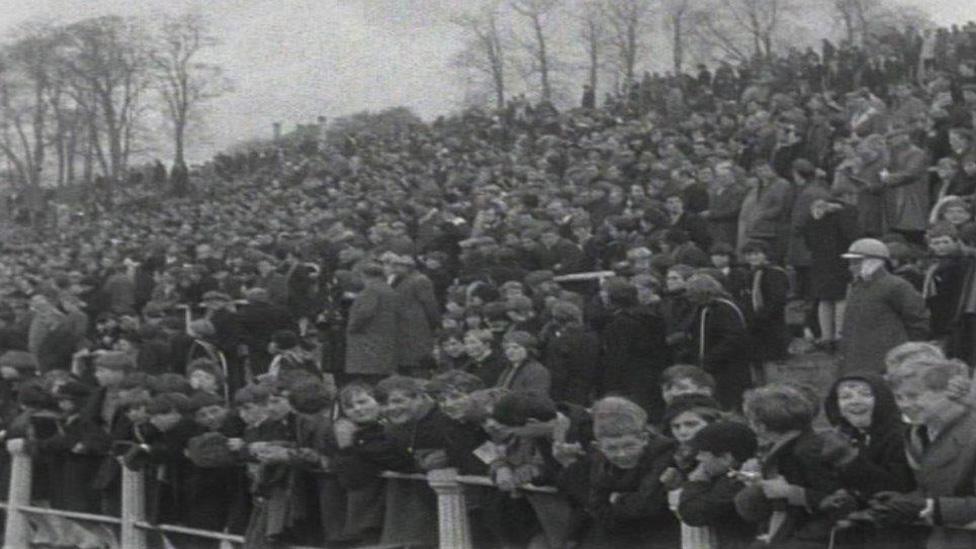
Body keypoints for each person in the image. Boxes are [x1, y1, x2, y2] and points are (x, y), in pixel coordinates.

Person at [840, 238, 930, 375]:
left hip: (886, 362)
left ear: (873, 262)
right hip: (856, 359)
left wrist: (906, 353)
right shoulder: (857, 286)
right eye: (851, 262)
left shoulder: (896, 286)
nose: (851, 267)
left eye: (856, 262)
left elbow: (917, 321)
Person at [678, 421, 759, 549]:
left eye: (703, 453)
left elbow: (693, 513)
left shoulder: (737, 480)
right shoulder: (727, 476)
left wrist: (697, 482)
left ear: (726, 457)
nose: (698, 458)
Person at [344, 263, 399, 385]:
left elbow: (364, 313)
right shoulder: (387, 289)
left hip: (367, 341)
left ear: (363, 275)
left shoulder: (371, 290)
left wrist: (352, 327)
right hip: (384, 339)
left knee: (368, 379)